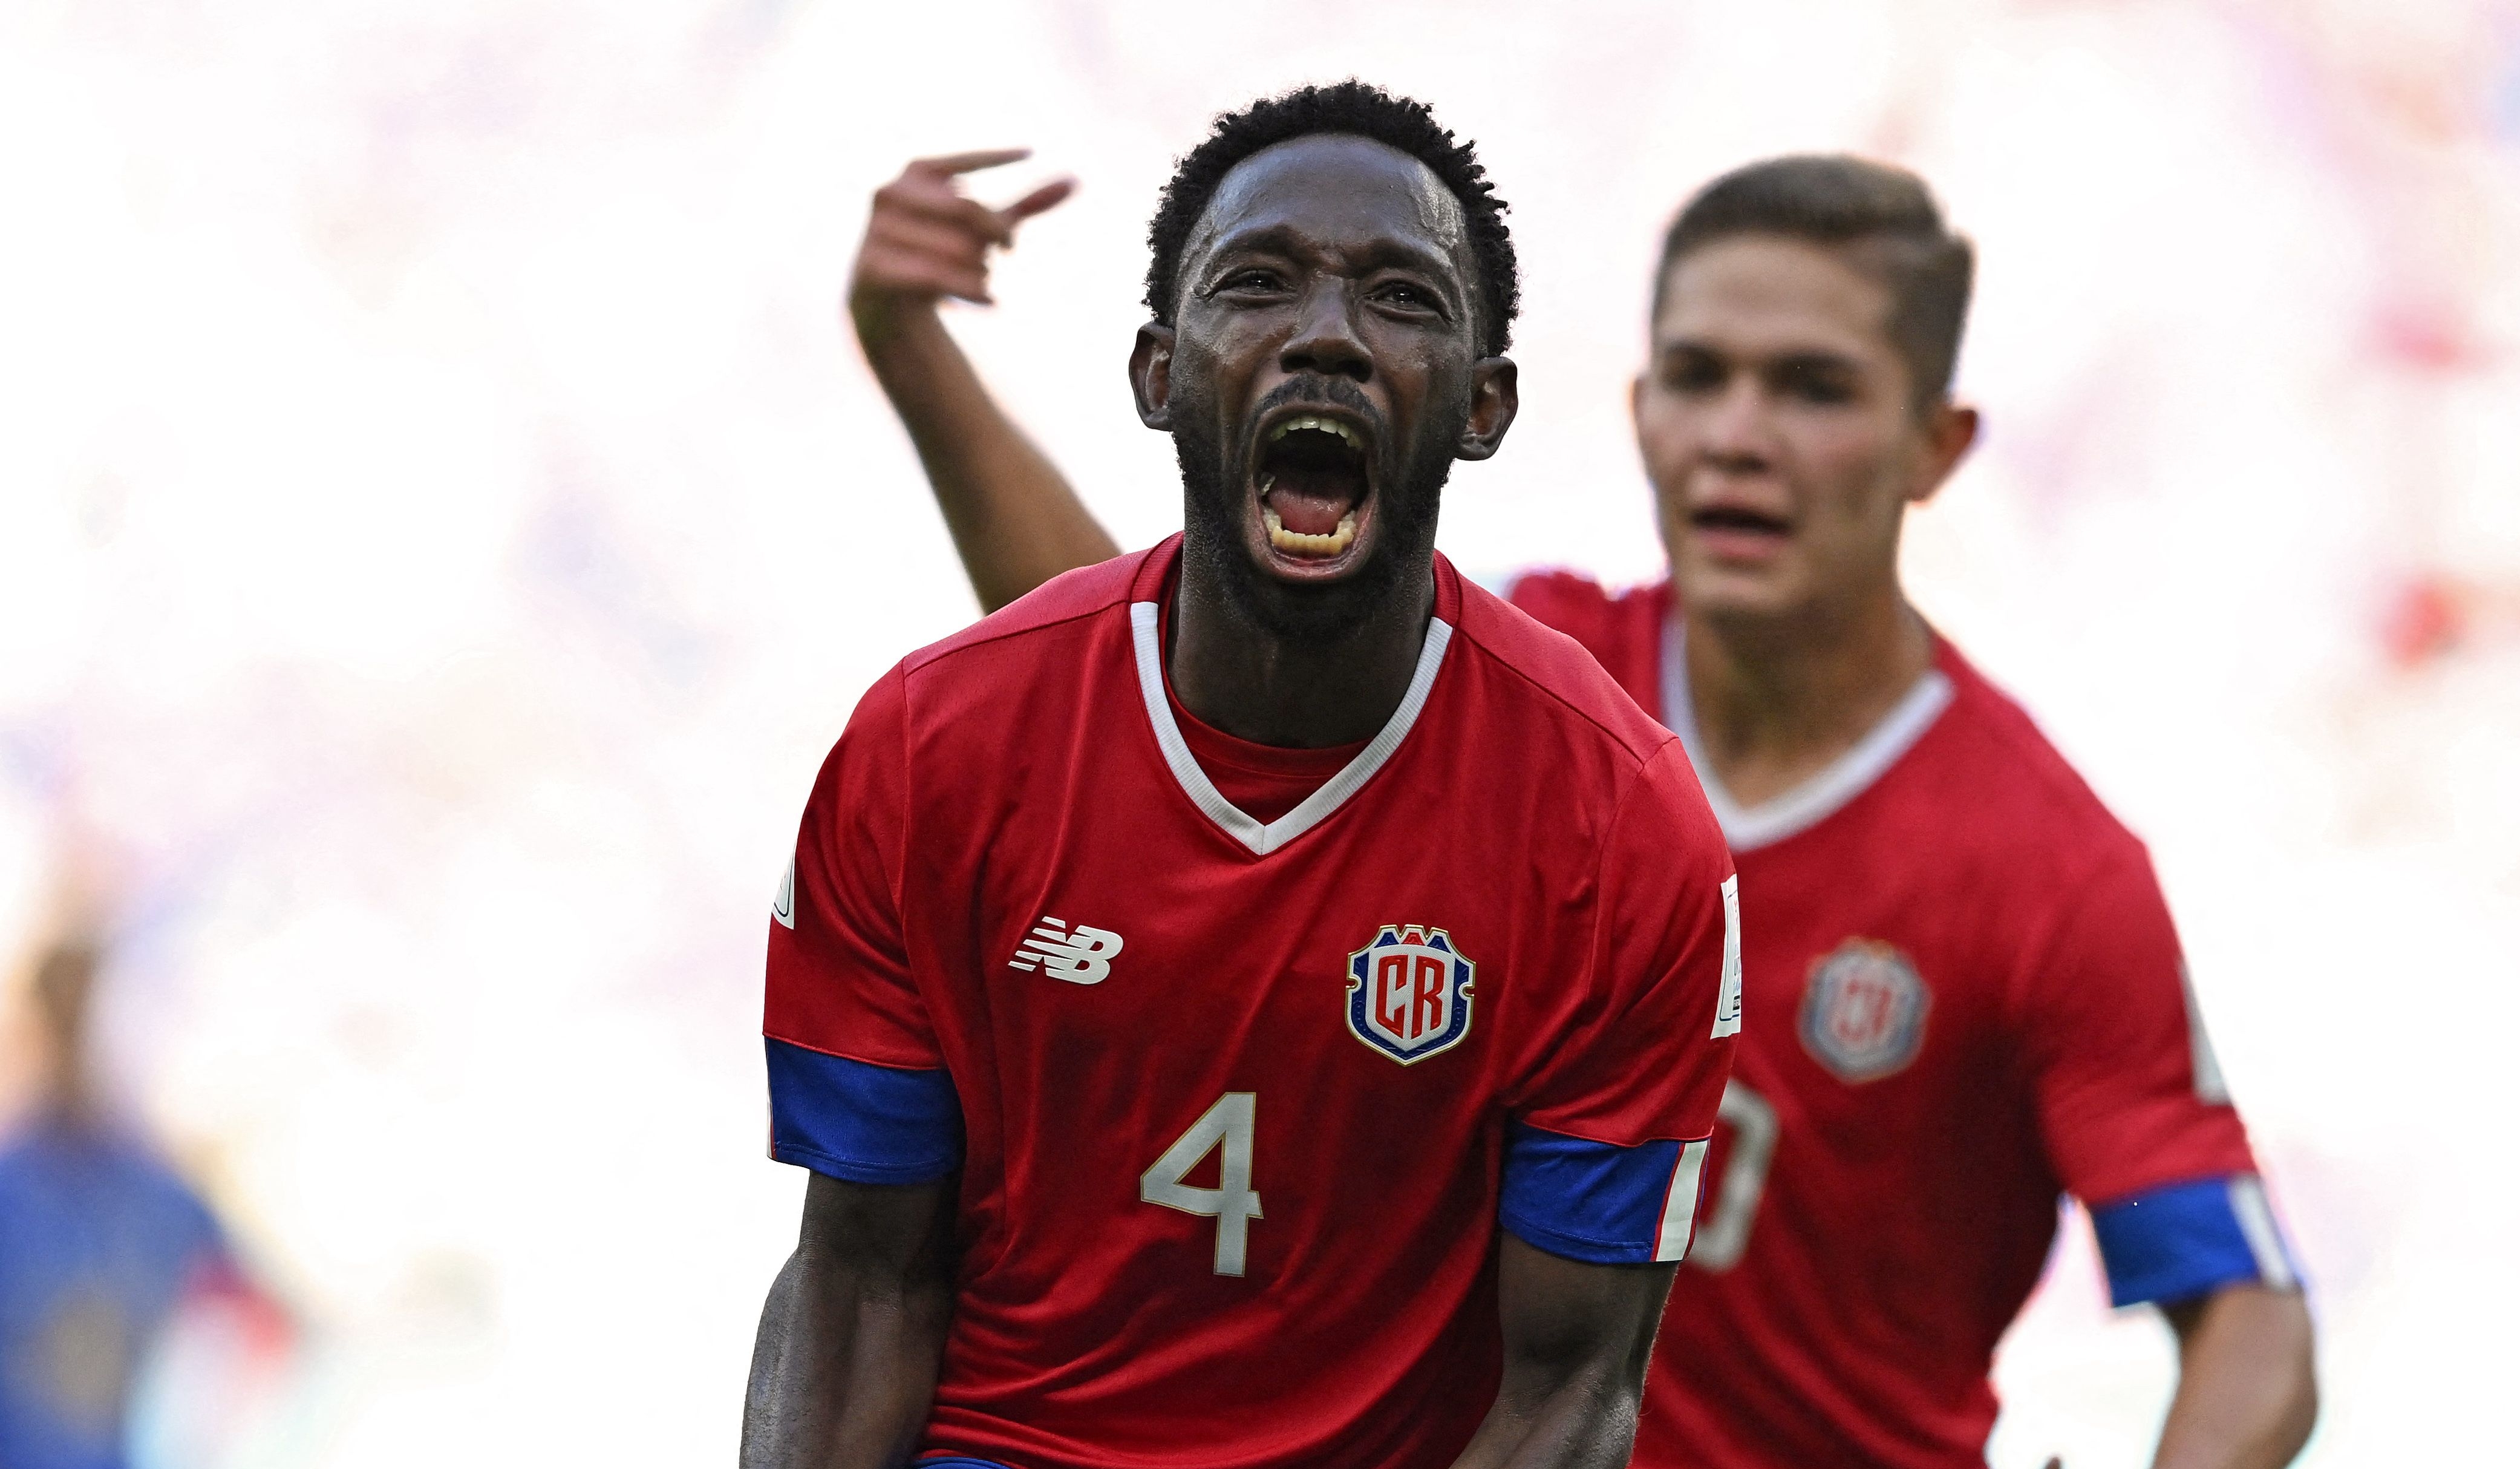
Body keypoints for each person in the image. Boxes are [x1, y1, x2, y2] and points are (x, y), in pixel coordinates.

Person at [850, 140, 2323, 1468]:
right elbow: (1152, 670)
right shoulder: (1523, 707)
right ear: (1636, 410)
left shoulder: (2040, 865)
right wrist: (918, 357)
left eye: (1810, 388)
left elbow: (2253, 1326)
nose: (1736, 435)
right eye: (1698, 375)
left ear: (1934, 445)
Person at [743, 83, 1743, 1469]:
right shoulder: (929, 746)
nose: (1325, 333)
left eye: (1401, 296)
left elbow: (1569, 1392)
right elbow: (862, 1278)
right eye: (1257, 283)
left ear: (1484, 402)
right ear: (1157, 373)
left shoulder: (1617, 826)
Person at [0, 928, 276, 1469]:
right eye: (63, 1018)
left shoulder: (159, 1192)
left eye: (87, 1016)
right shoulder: (13, 1188)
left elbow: (258, 1313)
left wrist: (203, 1429)